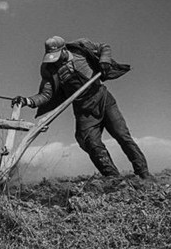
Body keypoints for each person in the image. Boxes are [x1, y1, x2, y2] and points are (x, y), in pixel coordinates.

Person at [12, 36, 152, 179]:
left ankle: (143, 173)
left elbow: (105, 47)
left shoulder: (81, 48)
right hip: (83, 110)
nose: (56, 60)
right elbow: (46, 94)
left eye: (58, 56)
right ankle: (113, 177)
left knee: (122, 135)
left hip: (103, 99)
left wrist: (104, 60)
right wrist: (27, 101)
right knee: (90, 142)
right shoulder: (49, 69)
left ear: (64, 50)